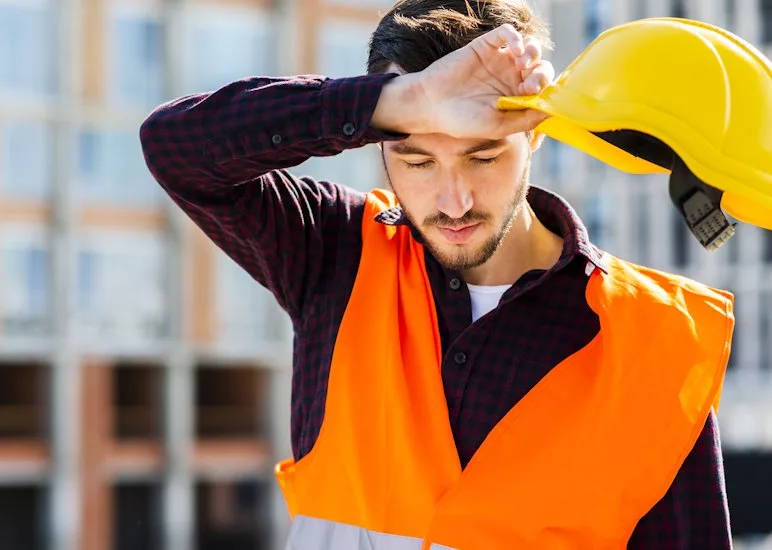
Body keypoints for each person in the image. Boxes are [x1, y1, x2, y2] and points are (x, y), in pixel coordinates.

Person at [140, 0, 734, 548]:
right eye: (416, 158)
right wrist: (400, 102)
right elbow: (175, 147)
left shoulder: (656, 342)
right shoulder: (334, 251)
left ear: (535, 133)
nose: (453, 202)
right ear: (380, 145)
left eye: (483, 156)